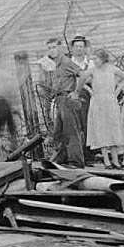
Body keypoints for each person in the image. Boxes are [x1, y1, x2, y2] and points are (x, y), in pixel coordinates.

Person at [79, 48, 124, 168]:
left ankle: (115, 160)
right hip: (97, 102)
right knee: (101, 130)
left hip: (110, 101)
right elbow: (80, 78)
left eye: (97, 59)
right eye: (93, 59)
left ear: (103, 59)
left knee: (113, 129)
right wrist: (89, 90)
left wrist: (117, 90)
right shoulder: (92, 70)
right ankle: (106, 161)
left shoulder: (112, 69)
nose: (95, 61)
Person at [46, 37, 86, 166]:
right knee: (58, 132)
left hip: (67, 100)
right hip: (59, 100)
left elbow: (83, 75)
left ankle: (76, 162)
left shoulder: (66, 62)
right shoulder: (57, 65)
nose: (51, 51)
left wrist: (76, 93)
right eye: (49, 48)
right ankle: (61, 158)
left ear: (60, 48)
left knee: (71, 132)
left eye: (53, 47)